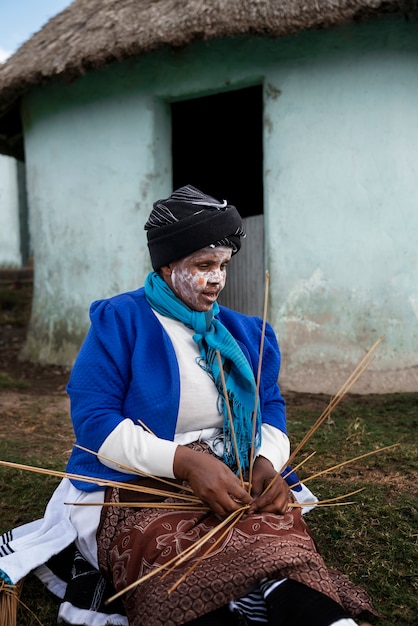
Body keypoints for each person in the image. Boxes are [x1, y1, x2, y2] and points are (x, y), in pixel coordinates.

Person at [0, 185, 375, 626]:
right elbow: (94, 421)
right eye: (203, 265)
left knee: (276, 537)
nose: (216, 278)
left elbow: (269, 405)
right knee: (166, 547)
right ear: (167, 264)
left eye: (223, 266)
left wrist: (264, 461)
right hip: (136, 481)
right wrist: (183, 463)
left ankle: (300, 605)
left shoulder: (246, 334)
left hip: (232, 473)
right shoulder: (121, 321)